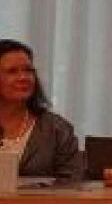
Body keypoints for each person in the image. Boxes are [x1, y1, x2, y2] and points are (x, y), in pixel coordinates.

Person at [0, 39, 80, 179]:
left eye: (28, 71)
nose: (23, 77)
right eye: (12, 72)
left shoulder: (57, 129)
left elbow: (72, 183)